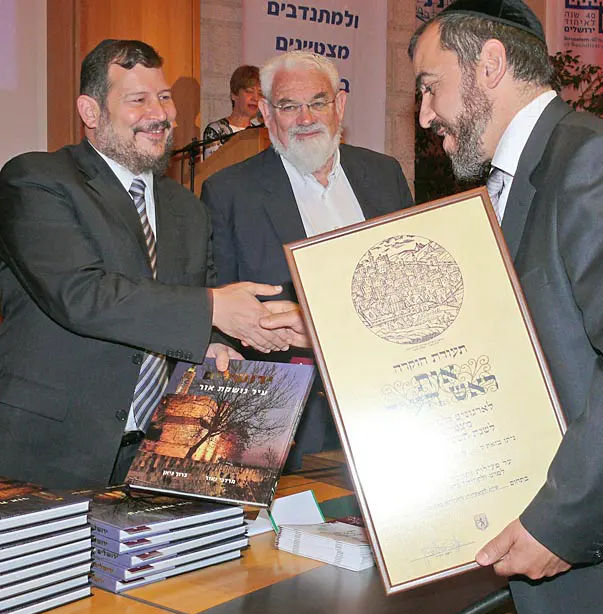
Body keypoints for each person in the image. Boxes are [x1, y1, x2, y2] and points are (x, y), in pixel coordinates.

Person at [408, 1, 603, 614]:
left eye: (431, 88)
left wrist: (562, 524)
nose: (425, 115)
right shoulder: (508, 185)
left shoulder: (595, 161)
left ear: (489, 64)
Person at [0, 39, 296, 490]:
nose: (159, 114)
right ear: (91, 111)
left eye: (164, 97)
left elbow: (196, 304)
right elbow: (81, 295)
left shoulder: (187, 208)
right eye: (138, 99)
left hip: (156, 456)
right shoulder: (36, 179)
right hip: (48, 451)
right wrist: (213, 310)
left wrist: (239, 333)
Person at [201, 51, 414, 469]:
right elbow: (220, 309)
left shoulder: (385, 174)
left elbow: (411, 282)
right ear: (265, 112)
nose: (305, 118)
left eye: (318, 102)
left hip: (389, 405)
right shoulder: (228, 193)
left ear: (340, 105)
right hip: (291, 421)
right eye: (288, 106)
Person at [202, 65, 262, 158]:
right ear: (234, 95)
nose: (256, 98)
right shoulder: (216, 130)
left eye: (260, 93)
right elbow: (213, 170)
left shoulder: (260, 134)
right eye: (249, 91)